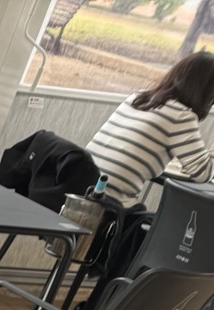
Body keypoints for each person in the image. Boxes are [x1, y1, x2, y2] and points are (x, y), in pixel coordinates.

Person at [86, 51, 214, 205]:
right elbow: (203, 173)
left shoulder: (138, 98)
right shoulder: (180, 115)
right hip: (108, 202)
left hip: (80, 186)